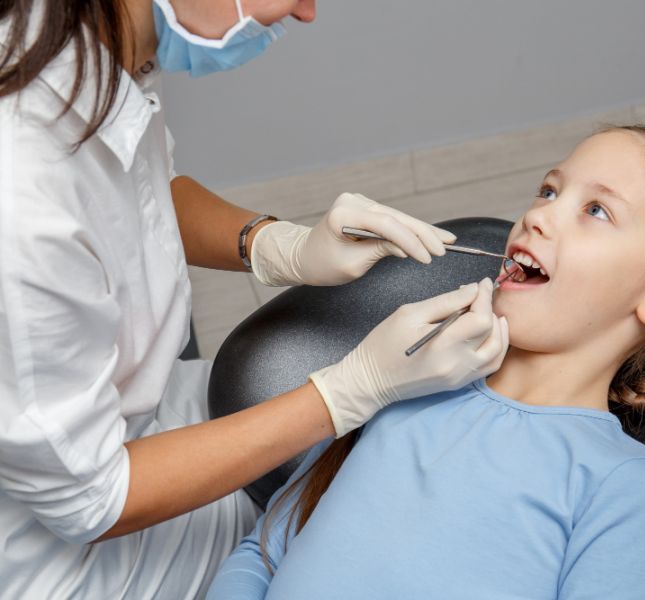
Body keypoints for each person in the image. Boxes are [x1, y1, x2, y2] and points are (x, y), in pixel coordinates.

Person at [0, 1, 508, 598]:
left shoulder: (91, 37)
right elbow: (94, 500)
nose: (307, 11)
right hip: (77, 558)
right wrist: (349, 392)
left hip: (150, 416)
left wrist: (274, 243)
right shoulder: (20, 204)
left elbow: (140, 190)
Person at [206, 125, 645, 599]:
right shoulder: (403, 381)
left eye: (596, 210)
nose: (537, 217)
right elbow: (266, 551)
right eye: (548, 190)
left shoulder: (624, 486)